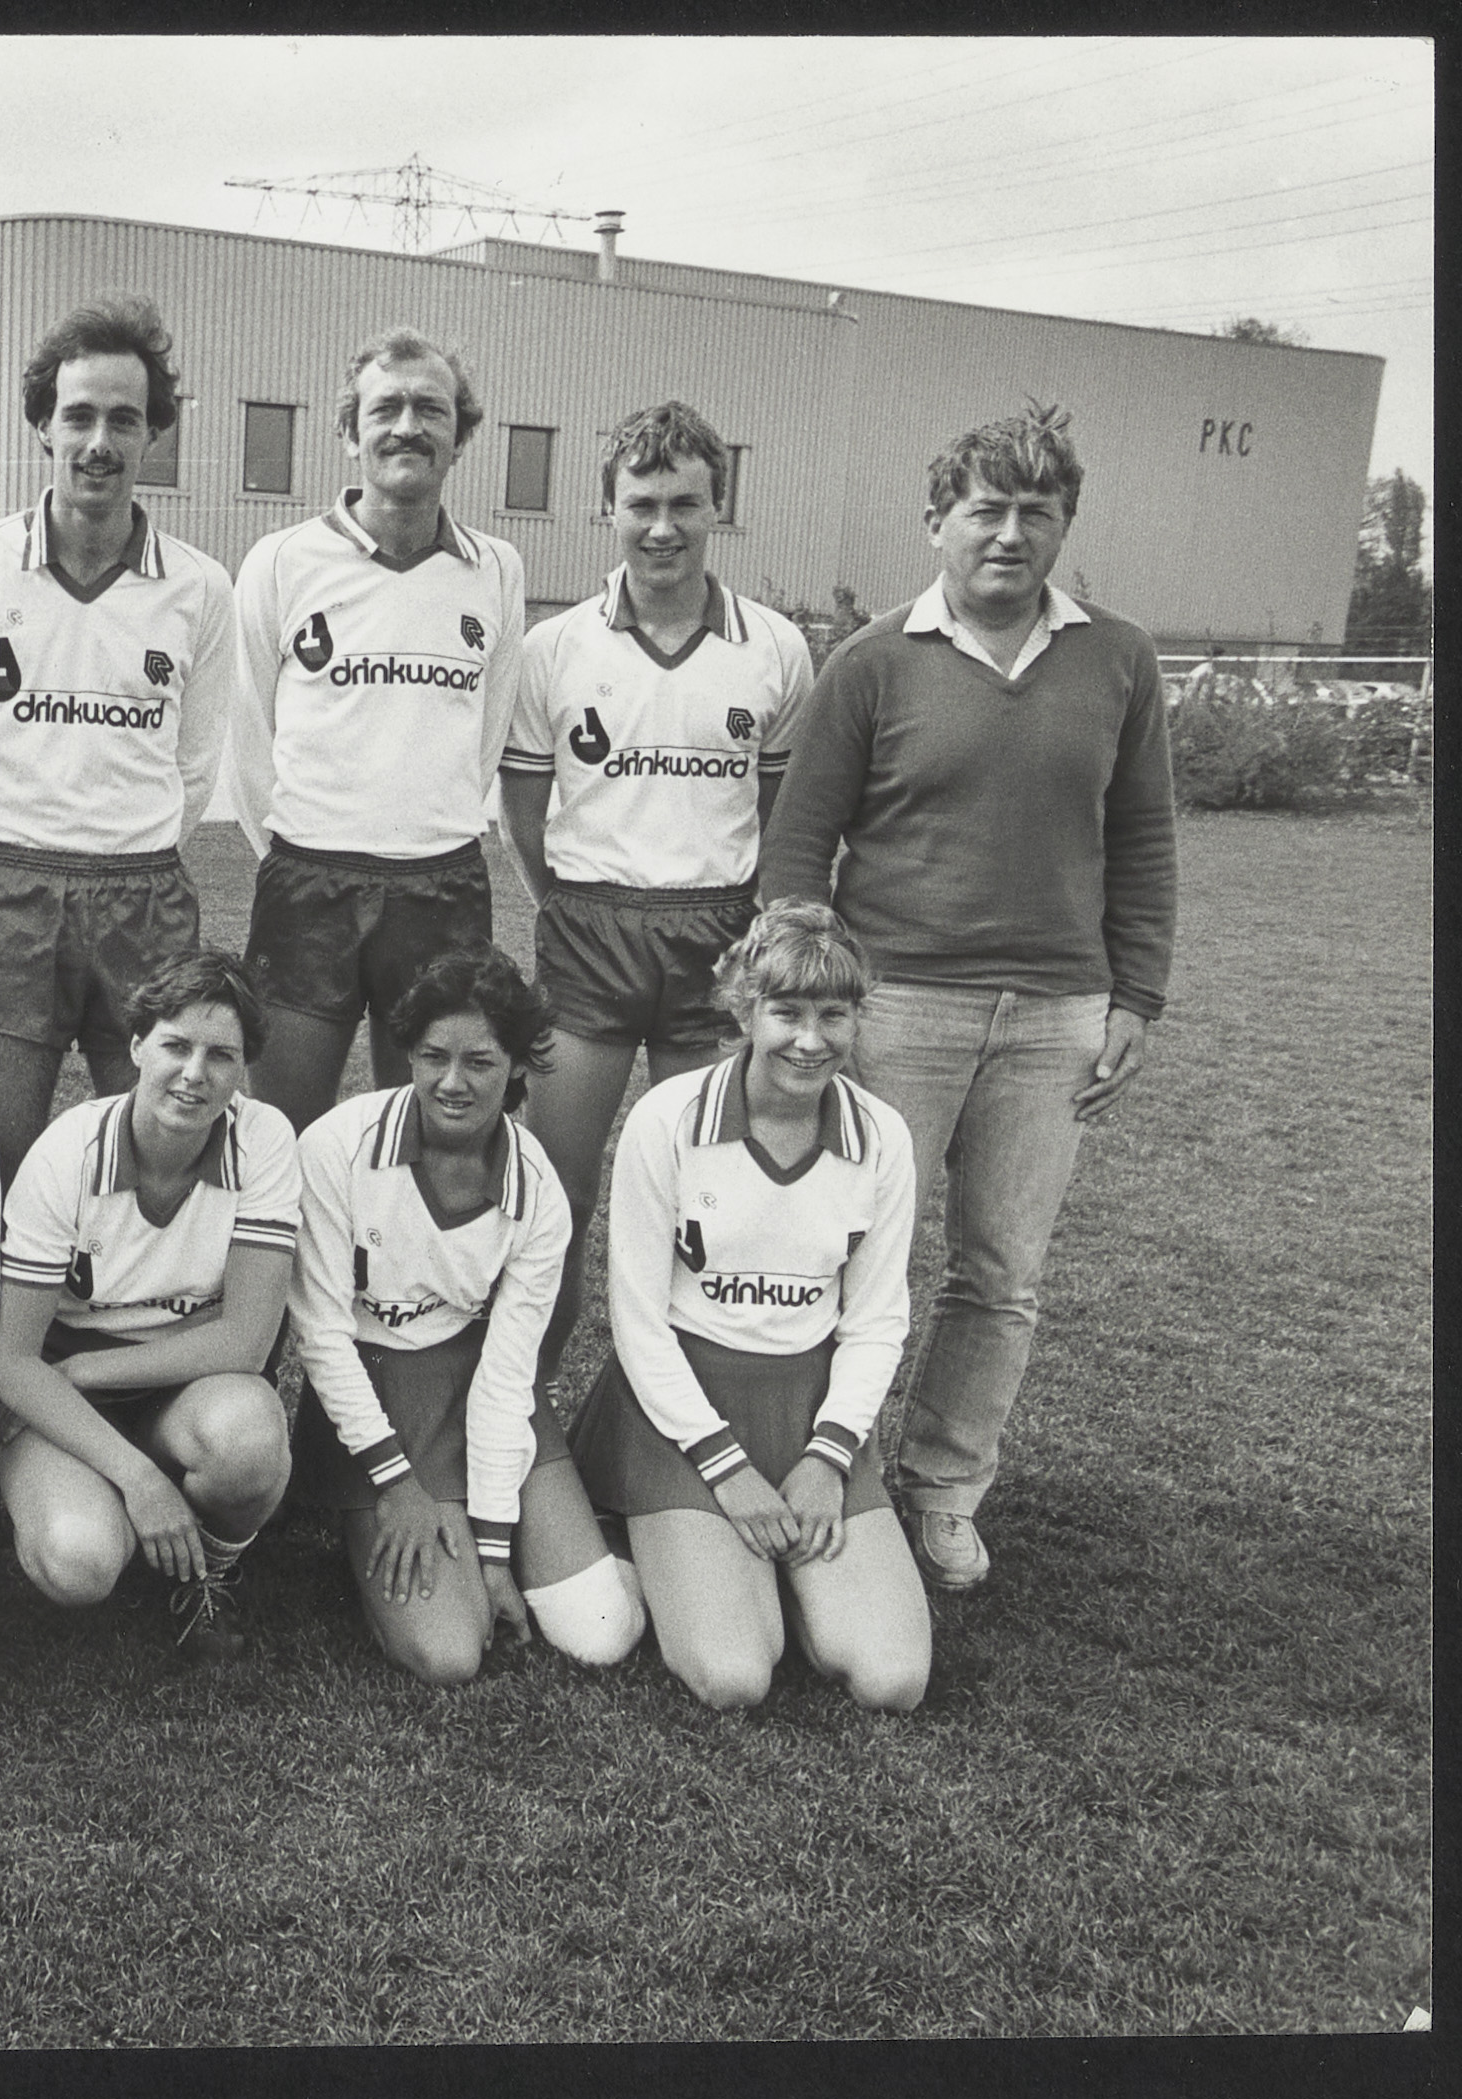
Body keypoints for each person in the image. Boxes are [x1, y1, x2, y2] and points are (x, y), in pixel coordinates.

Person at [759, 403, 1175, 1592]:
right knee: (850, 1256)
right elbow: (798, 845)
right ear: (934, 521)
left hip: (1054, 1019)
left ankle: (941, 1489)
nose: (1007, 533)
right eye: (983, 509)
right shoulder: (872, 660)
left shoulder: (1118, 657)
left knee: (998, 1274)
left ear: (1062, 526)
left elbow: (1142, 837)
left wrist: (1134, 995)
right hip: (897, 1009)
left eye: (1034, 512)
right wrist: (812, 992)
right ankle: (826, 1473)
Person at [499, 401, 813, 1384]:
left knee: (706, 1198)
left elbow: (779, 817)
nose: (662, 526)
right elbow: (521, 805)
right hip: (590, 931)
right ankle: (523, 1402)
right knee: (556, 1195)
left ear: (718, 506)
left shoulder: (774, 648)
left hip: (715, 942)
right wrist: (564, 902)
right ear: (609, 509)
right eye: (641, 504)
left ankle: (679, 1412)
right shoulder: (553, 647)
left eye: (684, 503)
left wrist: (748, 928)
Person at [0, 297, 241, 1187]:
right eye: (80, 416)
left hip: (144, 897)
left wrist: (130, 849)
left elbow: (196, 763)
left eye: (124, 419)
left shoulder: (202, 587)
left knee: (156, 1154)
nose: (100, 441)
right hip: (6, 892)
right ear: (43, 427)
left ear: (153, 433)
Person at [565, 902, 928, 1711]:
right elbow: (637, 1321)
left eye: (834, 1014)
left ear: (857, 1017)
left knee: (893, 1679)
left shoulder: (883, 1136)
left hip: (807, 1409)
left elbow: (876, 1320)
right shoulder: (668, 1119)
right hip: (683, 1412)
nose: (811, 1040)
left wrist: (828, 1458)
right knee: (734, 1674)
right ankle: (653, 1530)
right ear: (744, 1008)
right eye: (787, 1012)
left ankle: (778, 1576)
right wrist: (726, 1469)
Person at [289, 949, 645, 1685]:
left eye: (479, 1061)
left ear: (516, 1066)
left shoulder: (537, 1189)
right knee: (450, 1653)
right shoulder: (336, 1146)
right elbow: (320, 1336)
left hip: (479, 1383)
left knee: (602, 1634)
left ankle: (606, 1539)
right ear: (409, 1054)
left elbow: (507, 1374)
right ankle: (375, 1531)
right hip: (373, 1390)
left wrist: (492, 1551)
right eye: (433, 1056)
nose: (452, 1082)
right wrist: (395, 1484)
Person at [228, 328, 529, 1132]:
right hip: (309, 884)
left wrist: (423, 826)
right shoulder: (281, 560)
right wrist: (303, 849)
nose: (407, 426)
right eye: (385, 408)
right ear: (348, 431)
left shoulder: (497, 569)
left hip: (442, 887)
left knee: (428, 1131)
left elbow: (486, 735)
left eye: (430, 409)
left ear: (460, 436)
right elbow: (249, 738)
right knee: (283, 1132)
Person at [0, 952, 298, 1661]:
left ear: (244, 1067)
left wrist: (85, 1371)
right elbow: (13, 1362)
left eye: (221, 1055)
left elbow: (247, 1341)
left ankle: (206, 1570)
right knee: (79, 1561)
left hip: (173, 1383)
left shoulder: (264, 1139)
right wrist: (140, 1478)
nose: (195, 1073)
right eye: (176, 1045)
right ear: (136, 1046)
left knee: (250, 1443)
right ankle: (117, 1506)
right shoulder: (68, 1154)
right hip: (61, 1391)